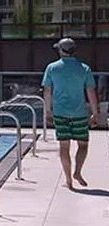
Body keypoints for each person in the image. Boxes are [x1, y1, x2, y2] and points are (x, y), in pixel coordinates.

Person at [42, 38, 99, 189]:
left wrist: (47, 111)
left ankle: (68, 180)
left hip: (60, 113)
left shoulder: (52, 68)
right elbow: (91, 92)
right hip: (79, 113)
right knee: (83, 145)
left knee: (64, 146)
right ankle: (77, 172)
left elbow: (47, 91)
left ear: (61, 50)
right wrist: (95, 113)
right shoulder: (84, 69)